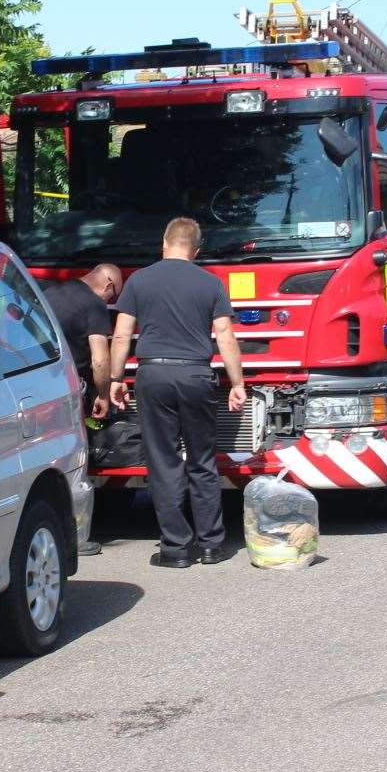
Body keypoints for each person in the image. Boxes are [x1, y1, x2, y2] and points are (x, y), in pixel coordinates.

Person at [108, 217, 248, 568]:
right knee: (202, 460)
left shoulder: (139, 280)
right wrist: (237, 383)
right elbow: (225, 337)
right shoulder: (210, 283)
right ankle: (212, 546)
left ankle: (175, 548)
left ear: (164, 243)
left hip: (153, 374)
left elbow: (122, 335)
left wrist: (114, 379)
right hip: (196, 375)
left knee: (164, 461)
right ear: (196, 250)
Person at [43, 264, 122, 555]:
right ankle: (77, 537)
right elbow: (100, 359)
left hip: (37, 387)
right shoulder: (93, 305)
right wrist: (103, 394)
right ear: (108, 283)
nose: (109, 303)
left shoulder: (49, 293)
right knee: (74, 459)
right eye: (113, 297)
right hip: (68, 388)